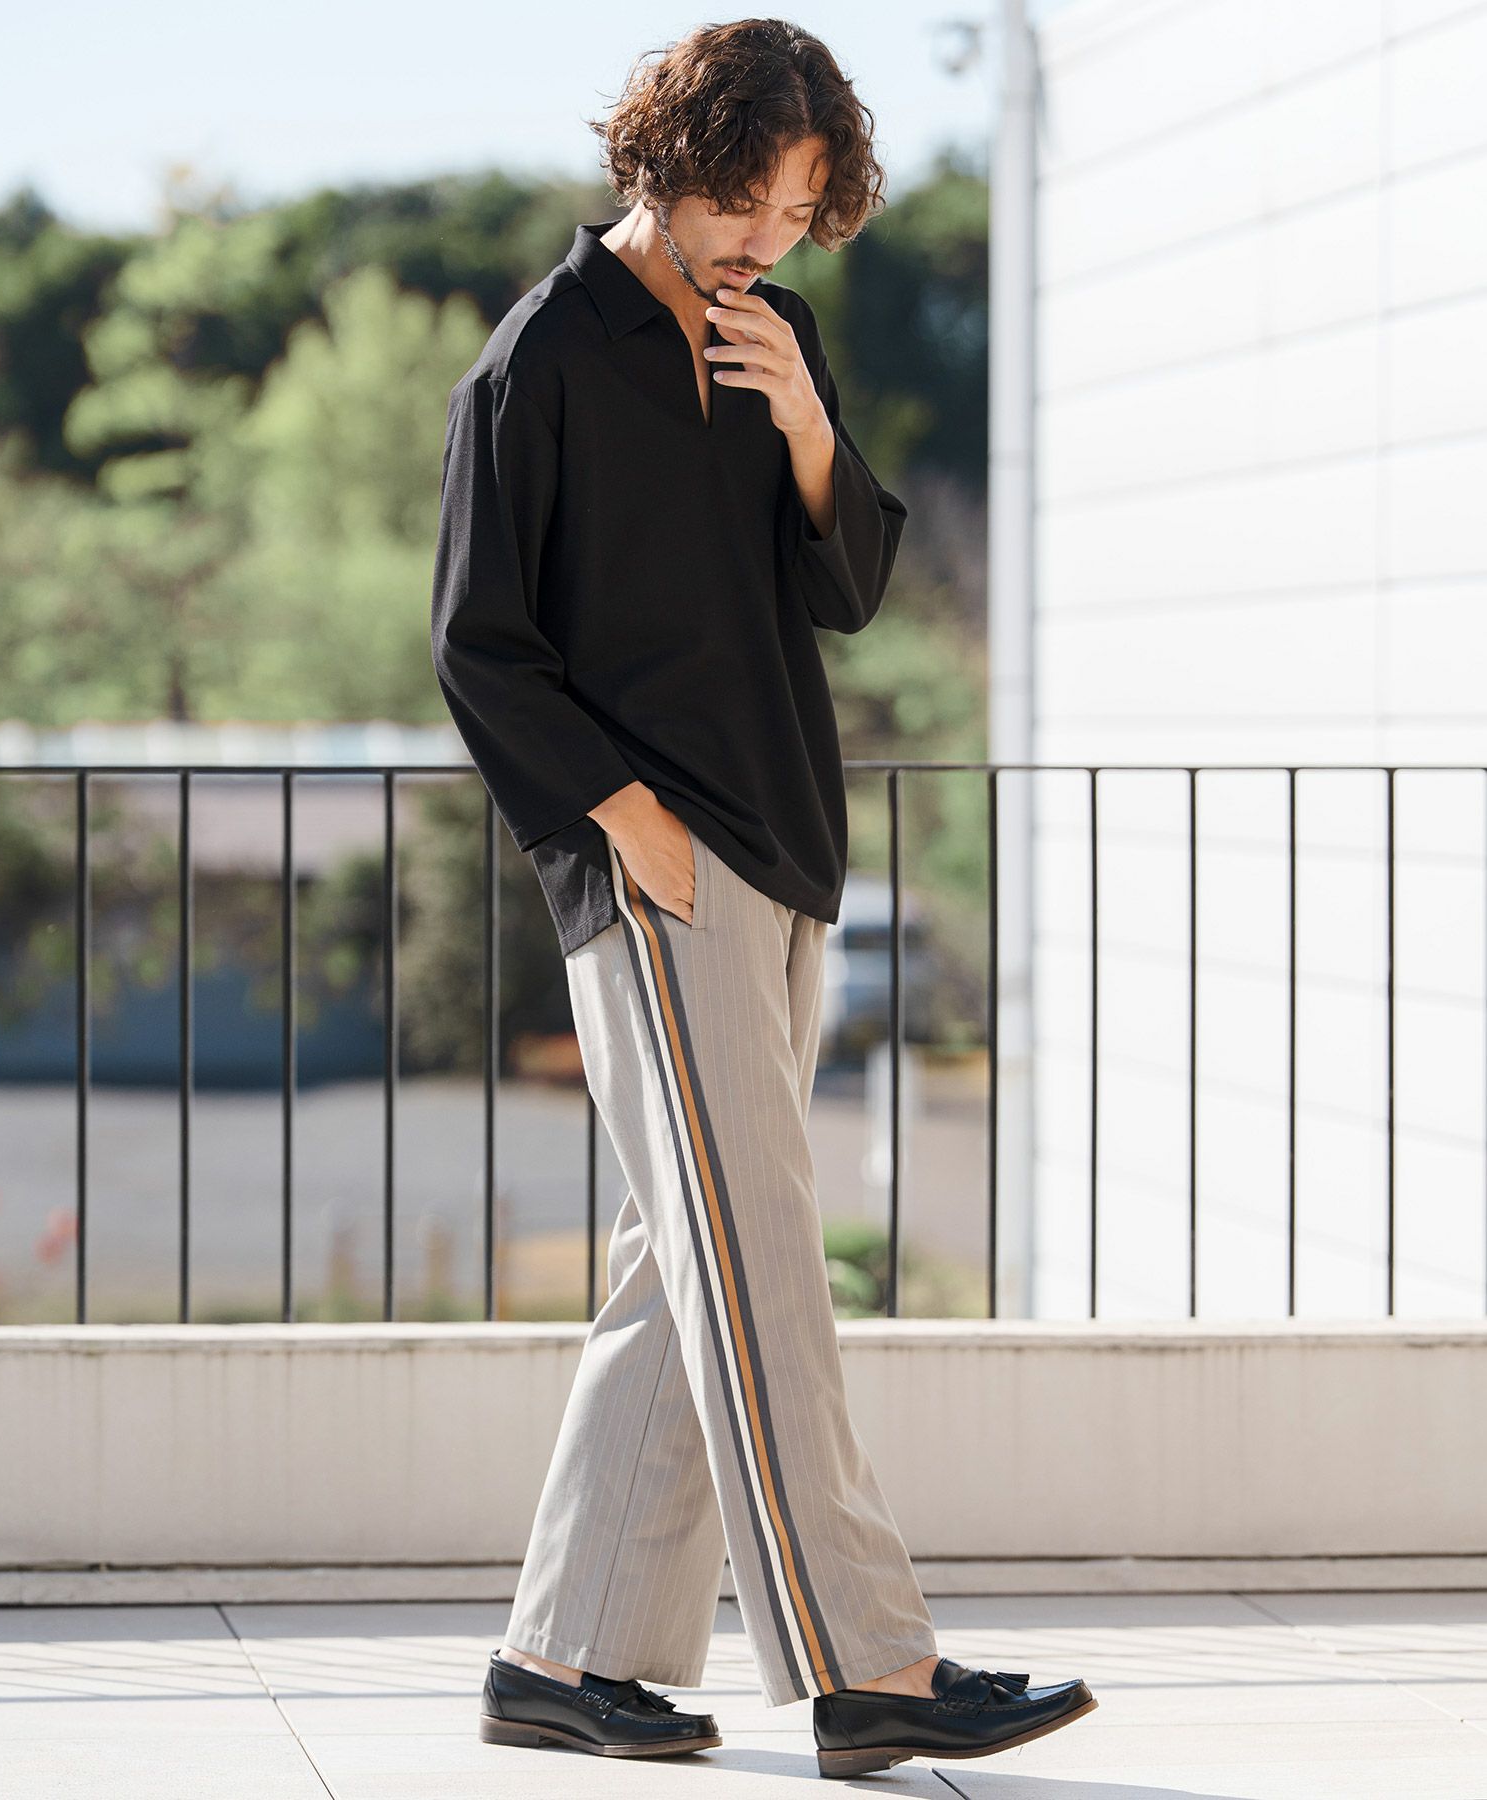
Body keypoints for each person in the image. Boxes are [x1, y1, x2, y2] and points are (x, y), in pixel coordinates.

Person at [430, 16, 1096, 1778]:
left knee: (687, 1264)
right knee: (764, 1266)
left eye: (798, 213)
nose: (761, 240)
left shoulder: (771, 336)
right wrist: (625, 822)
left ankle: (559, 1658)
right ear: (664, 159)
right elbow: (478, 645)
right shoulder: (538, 361)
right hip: (662, 868)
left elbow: (847, 585)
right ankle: (875, 1667)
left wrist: (805, 418)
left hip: (788, 846)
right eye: (741, 201)